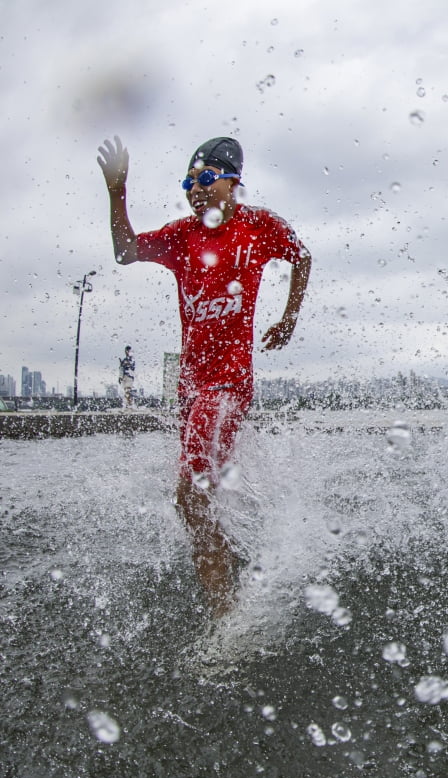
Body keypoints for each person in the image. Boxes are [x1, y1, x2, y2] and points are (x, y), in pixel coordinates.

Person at [97, 135, 312, 615]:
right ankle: (228, 561)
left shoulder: (259, 226)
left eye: (207, 179)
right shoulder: (182, 236)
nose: (196, 189)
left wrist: (289, 317)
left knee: (188, 494)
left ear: (234, 183)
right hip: (190, 390)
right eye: (189, 181)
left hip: (229, 385)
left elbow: (302, 256)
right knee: (197, 498)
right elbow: (126, 252)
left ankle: (225, 613)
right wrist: (117, 193)